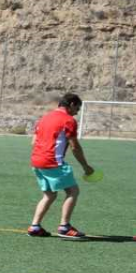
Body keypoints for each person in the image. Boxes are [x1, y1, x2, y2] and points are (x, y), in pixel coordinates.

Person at [28, 93, 94, 239]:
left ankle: (35, 226)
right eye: (77, 108)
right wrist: (86, 166)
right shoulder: (68, 120)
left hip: (36, 161)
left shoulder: (44, 117)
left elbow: (34, 142)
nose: (77, 112)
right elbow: (74, 147)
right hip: (52, 162)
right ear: (71, 104)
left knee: (49, 195)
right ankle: (64, 226)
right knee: (72, 191)